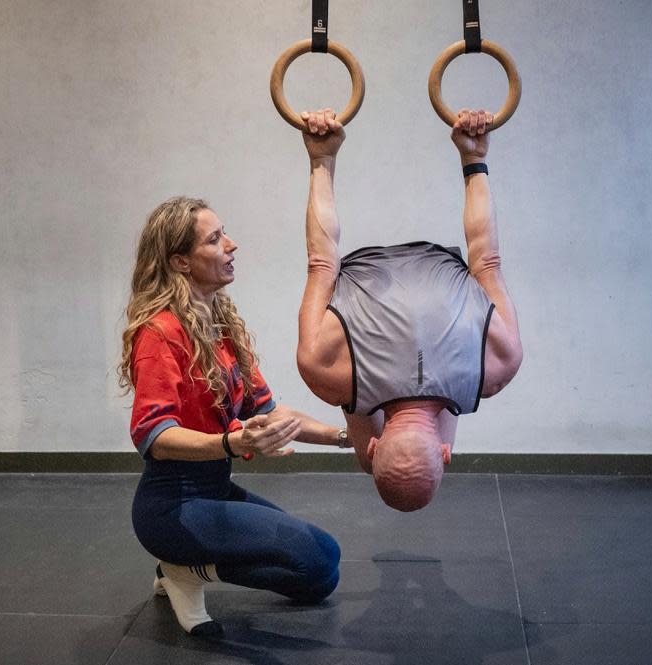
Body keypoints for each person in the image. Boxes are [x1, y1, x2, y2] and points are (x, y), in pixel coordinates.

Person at [118, 196, 348, 638]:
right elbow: (153, 434)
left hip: (215, 490)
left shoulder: (220, 328)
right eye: (215, 238)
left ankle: (185, 570)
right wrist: (230, 443)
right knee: (315, 554)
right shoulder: (158, 332)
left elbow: (271, 412)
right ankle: (184, 571)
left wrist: (347, 437)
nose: (232, 244)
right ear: (180, 261)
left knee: (322, 572)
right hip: (172, 507)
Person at [294, 108, 524, 512]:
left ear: (446, 451)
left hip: (436, 273)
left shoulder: (498, 365)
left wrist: (475, 158)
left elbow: (486, 260)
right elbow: (321, 262)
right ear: (374, 440)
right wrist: (321, 157)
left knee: (454, 381)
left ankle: (471, 158)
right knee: (359, 409)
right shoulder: (324, 369)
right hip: (369, 276)